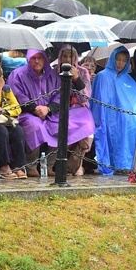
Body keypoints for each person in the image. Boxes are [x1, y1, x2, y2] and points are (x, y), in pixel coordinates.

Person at [8, 49, 95, 177]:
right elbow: (18, 95)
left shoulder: (52, 75)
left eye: (40, 58)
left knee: (61, 125)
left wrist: (48, 109)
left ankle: (49, 165)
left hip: (50, 112)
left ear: (45, 59)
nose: (36, 61)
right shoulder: (18, 74)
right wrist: (36, 109)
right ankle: (31, 165)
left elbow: (60, 96)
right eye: (33, 58)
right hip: (27, 112)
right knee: (35, 126)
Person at [91, 46, 136, 175]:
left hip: (127, 116)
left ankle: (131, 164)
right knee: (121, 125)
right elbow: (100, 102)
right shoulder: (103, 76)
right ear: (112, 59)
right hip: (109, 116)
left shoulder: (127, 78)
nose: (120, 63)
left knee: (135, 124)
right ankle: (119, 163)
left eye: (124, 60)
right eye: (118, 60)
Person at [54, 44, 95, 175]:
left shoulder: (83, 72)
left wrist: (76, 78)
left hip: (80, 110)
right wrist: (72, 100)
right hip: (60, 108)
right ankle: (60, 164)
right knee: (64, 126)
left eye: (70, 56)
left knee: (86, 128)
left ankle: (75, 165)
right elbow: (53, 94)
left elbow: (85, 97)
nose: (67, 59)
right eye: (64, 56)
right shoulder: (54, 71)